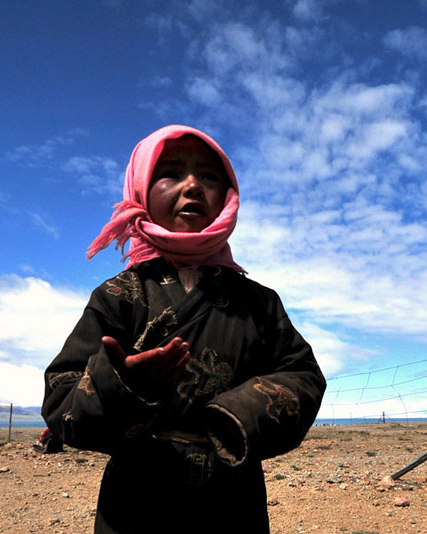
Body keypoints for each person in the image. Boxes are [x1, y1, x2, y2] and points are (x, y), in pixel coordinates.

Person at [42, 125, 325, 533]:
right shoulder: (118, 295)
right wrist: (123, 384)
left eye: (210, 177)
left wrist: (235, 415)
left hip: (232, 501)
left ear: (228, 198)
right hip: (135, 503)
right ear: (140, 190)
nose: (192, 186)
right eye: (171, 173)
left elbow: (304, 376)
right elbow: (61, 397)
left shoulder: (258, 302)